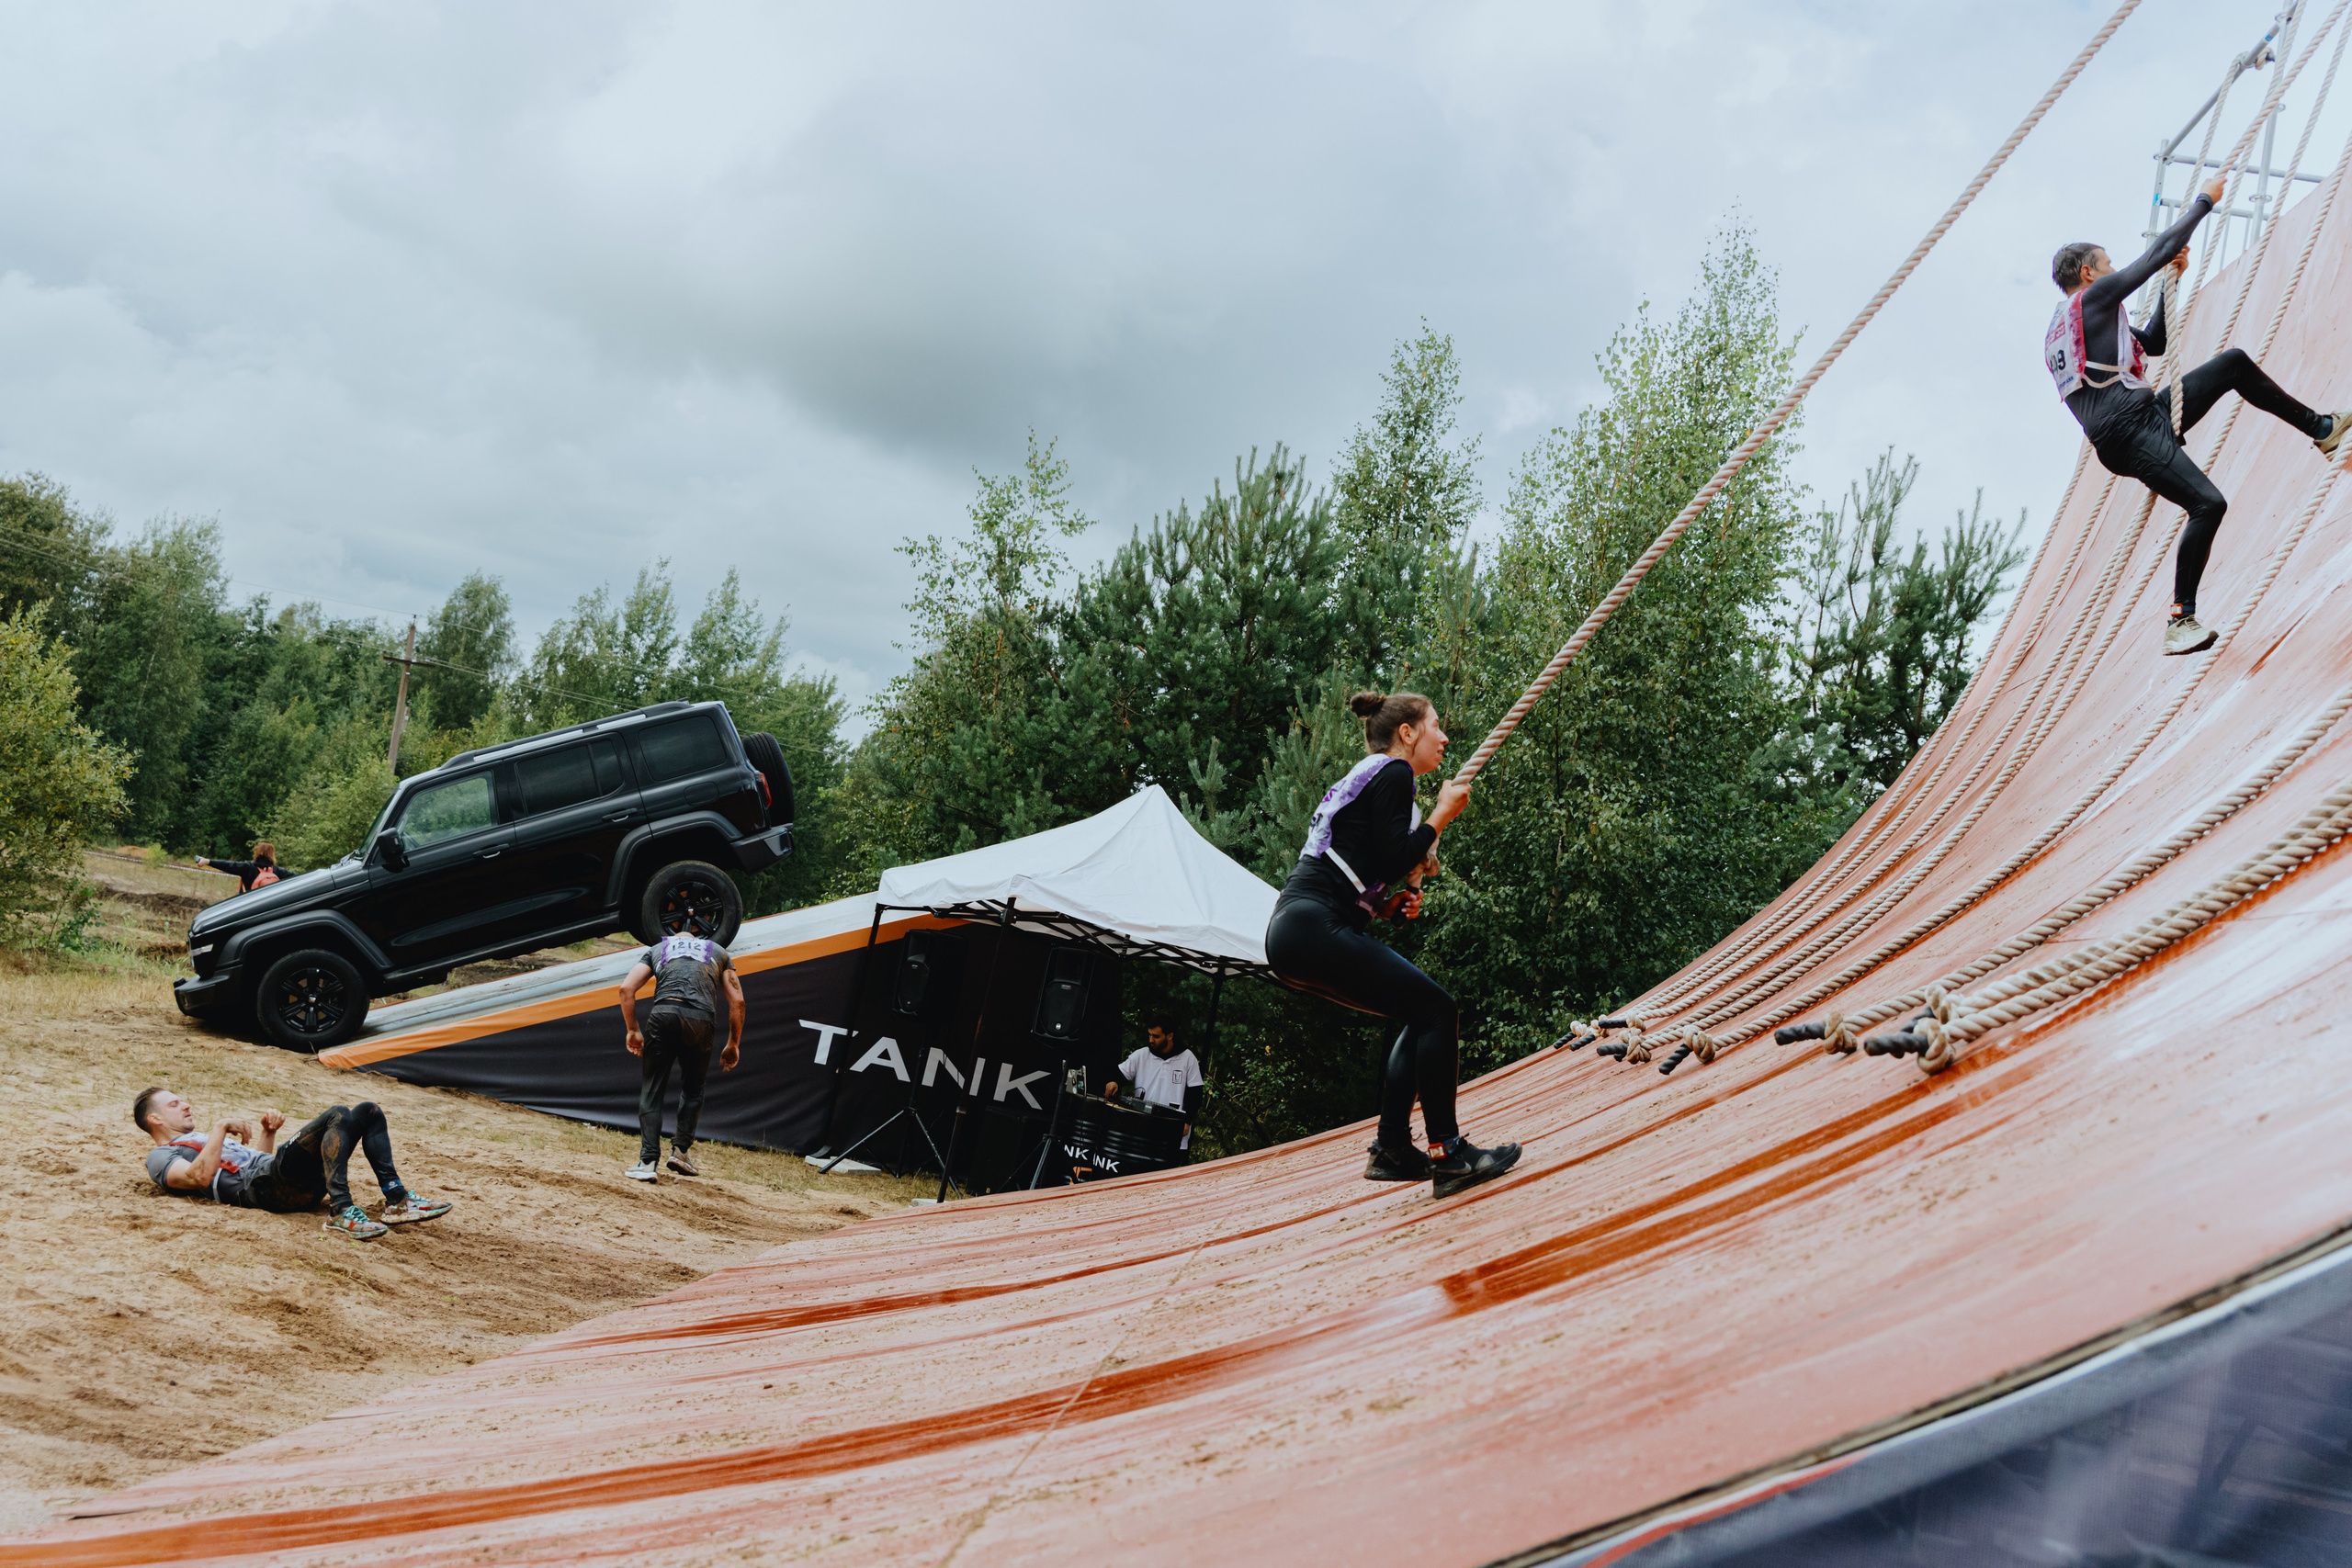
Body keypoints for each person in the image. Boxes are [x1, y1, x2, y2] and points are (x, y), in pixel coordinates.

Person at [2046, 174, 2352, 658]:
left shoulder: (2070, 327)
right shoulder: (2092, 301)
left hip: (2142, 416)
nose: (2112, 269)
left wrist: (2173, 284)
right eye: (2105, 264)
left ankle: (2323, 430)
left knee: (2231, 363)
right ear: (2088, 273)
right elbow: (2157, 250)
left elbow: (2158, 344)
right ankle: (2180, 619)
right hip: (2129, 433)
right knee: (2209, 504)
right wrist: (2203, 202)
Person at [1263, 690, 1521, 1199]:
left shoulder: (1374, 779)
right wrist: (1442, 815)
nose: (1445, 737)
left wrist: (1383, 906)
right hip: (1311, 925)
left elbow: (1365, 868)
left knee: (1418, 1013)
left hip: (1297, 930)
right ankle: (1448, 1153)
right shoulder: (1393, 772)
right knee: (1437, 1009)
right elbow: (1389, 859)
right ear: (1408, 733)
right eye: (1436, 726)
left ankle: (1393, 1150)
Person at [133, 1087, 450, 1241]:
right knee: (338, 1112)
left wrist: (268, 1133)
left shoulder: (203, 1140)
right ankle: (341, 1209)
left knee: (367, 1110)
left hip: (279, 1181)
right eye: (175, 1104)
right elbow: (197, 1179)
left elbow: (261, 1162)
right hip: (266, 1190)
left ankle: (397, 1199)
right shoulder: (159, 1157)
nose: (185, 1104)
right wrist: (219, 1128)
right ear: (155, 1118)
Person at [617, 931, 744, 1182]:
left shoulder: (657, 949)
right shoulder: (718, 951)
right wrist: (733, 1043)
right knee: (693, 1088)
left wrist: (633, 1030)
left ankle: (648, 1161)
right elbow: (738, 1001)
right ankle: (681, 1152)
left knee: (652, 1089)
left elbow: (626, 989)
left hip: (664, 1012)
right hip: (701, 1018)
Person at [1104, 1020, 1205, 1151]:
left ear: (1169, 1036)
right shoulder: (1141, 1055)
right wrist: (1114, 1082)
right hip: (1141, 1128)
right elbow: (1119, 1075)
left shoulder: (1187, 1058)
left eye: (1156, 1036)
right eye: (1150, 1035)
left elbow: (1195, 1093)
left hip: (1172, 1130)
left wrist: (1187, 1121)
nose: (1151, 1040)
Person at [193, 841, 280, 892]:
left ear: (257, 853)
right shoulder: (277, 871)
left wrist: (208, 861)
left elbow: (228, 865)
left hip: (246, 907)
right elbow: (294, 878)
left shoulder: (248, 867)